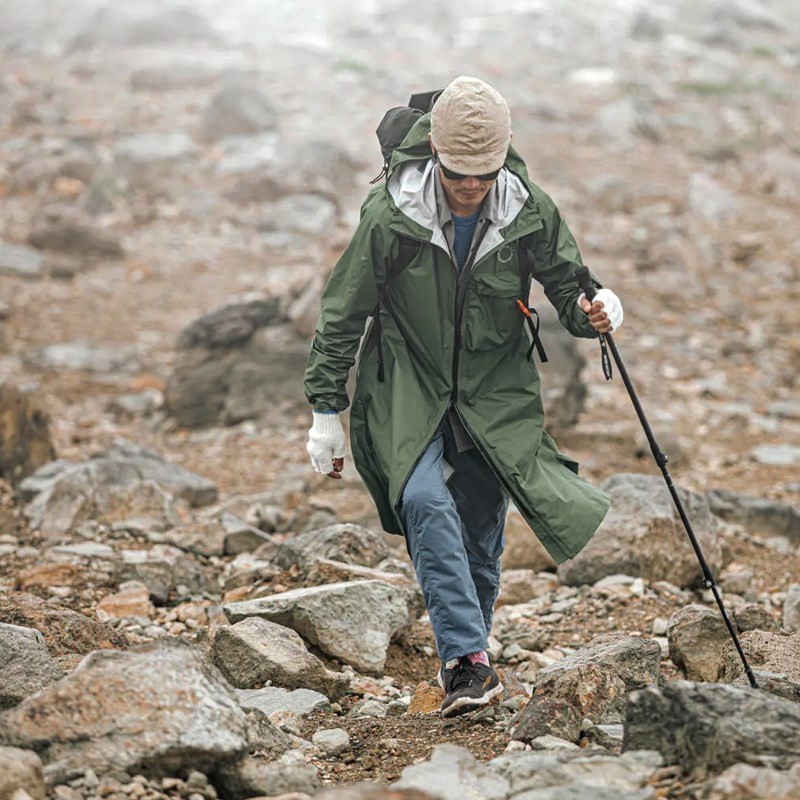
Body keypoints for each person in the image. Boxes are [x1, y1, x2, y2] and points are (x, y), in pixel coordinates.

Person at [304, 76, 623, 717]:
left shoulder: (528, 206)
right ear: (436, 155)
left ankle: (472, 650)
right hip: (406, 381)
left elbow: (566, 282)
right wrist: (325, 411)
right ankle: (466, 661)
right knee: (423, 496)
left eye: (485, 172)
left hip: (495, 387)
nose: (471, 185)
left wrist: (595, 307)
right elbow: (343, 312)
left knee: (481, 516)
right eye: (458, 172)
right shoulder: (393, 213)